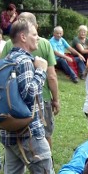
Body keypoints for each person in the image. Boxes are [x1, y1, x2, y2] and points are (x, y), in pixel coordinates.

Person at [0, 19, 54, 174]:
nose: (36, 38)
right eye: (34, 34)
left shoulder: (6, 60)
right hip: (29, 132)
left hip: (8, 128)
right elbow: (29, 94)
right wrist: (40, 70)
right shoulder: (25, 62)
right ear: (22, 36)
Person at [17, 12, 60, 146]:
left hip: (18, 98)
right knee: (45, 134)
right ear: (36, 25)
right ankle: (48, 164)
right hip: (43, 98)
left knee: (19, 133)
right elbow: (51, 76)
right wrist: (56, 99)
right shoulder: (45, 44)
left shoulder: (9, 44)